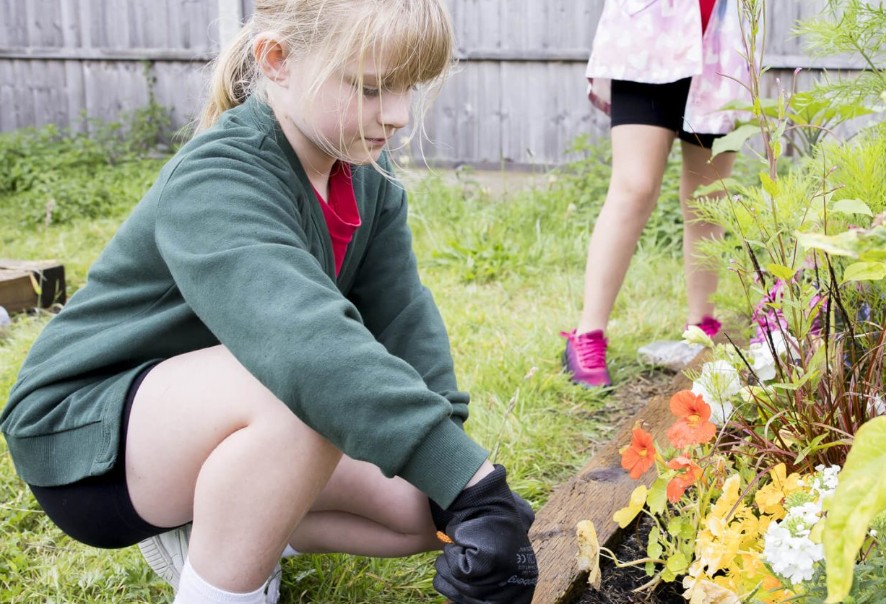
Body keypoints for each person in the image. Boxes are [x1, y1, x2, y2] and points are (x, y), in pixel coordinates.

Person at [0, 1, 538, 603]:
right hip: (89, 441)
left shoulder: (365, 172)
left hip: (218, 409)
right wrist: (471, 483)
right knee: (308, 397)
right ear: (277, 60)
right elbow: (307, 349)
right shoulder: (217, 177)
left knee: (425, 509)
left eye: (409, 86)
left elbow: (404, 320)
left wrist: (465, 484)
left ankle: (232, 520)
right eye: (370, 86)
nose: (399, 114)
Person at [561, 0, 750, 388]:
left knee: (709, 199)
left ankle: (702, 329)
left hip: (724, 46)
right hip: (648, 36)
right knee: (634, 188)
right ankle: (587, 335)